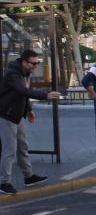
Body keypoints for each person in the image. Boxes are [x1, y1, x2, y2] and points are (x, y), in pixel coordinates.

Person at [0, 50, 61, 195]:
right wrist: (46, 95)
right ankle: (4, 182)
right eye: (33, 63)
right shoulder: (13, 74)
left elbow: (23, 94)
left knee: (23, 146)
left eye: (37, 63)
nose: (35, 66)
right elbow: (22, 90)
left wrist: (28, 109)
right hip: (6, 115)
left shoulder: (24, 73)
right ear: (24, 62)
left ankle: (29, 176)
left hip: (17, 115)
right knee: (9, 150)